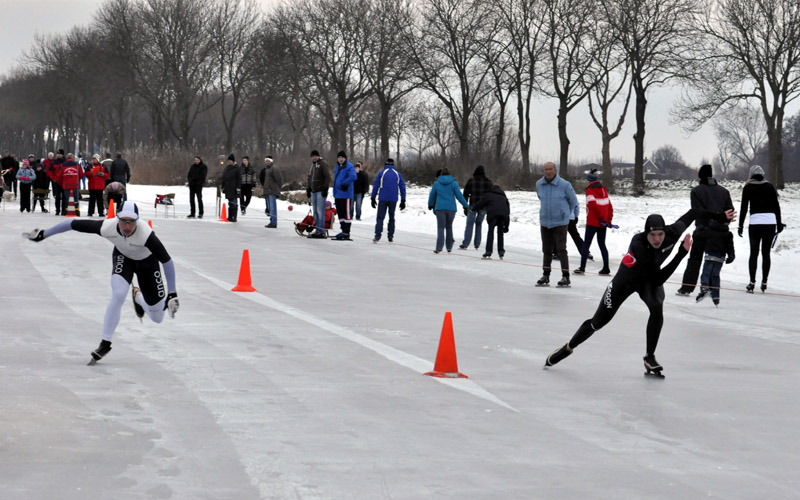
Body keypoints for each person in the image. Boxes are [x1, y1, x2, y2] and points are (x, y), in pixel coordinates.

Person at [544, 207, 736, 375]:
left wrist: (720, 216)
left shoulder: (673, 232)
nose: (657, 239)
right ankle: (568, 347)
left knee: (657, 308)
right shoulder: (639, 245)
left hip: (648, 281)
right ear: (646, 234)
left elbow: (695, 212)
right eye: (652, 235)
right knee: (597, 323)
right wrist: (681, 253)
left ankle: (649, 357)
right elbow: (660, 278)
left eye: (660, 234)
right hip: (625, 282)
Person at [24, 201, 179, 364]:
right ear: (117, 218)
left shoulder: (146, 235)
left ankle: (138, 298)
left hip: (147, 263)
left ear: (137, 221)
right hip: (123, 258)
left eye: (131, 221)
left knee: (157, 317)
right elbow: (72, 223)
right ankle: (105, 343)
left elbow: (167, 261)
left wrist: (172, 293)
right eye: (123, 221)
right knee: (118, 294)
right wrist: (44, 234)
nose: (127, 226)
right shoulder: (107, 227)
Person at [677, 164, 733, 296]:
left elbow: (698, 211)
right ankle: (711, 287)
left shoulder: (696, 191)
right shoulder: (724, 191)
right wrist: (723, 218)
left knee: (695, 260)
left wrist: (715, 216)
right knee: (714, 260)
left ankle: (687, 287)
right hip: (719, 232)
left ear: (700, 176)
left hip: (703, 230)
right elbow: (729, 212)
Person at [738, 164, 783, 293]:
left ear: (751, 175)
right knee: (766, 254)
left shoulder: (748, 187)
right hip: (770, 223)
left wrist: (740, 225)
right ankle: (764, 282)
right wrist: (779, 224)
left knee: (754, 253)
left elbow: (744, 208)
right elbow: (776, 206)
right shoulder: (770, 187)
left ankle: (752, 283)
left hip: (755, 223)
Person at [536, 162, 578, 288]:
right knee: (546, 249)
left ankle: (566, 276)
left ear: (555, 171)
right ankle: (546, 275)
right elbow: (540, 198)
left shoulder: (565, 185)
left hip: (560, 222)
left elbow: (573, 201)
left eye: (551, 169)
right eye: (546, 169)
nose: (548, 172)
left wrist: (565, 214)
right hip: (545, 221)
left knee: (561, 249)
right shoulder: (539, 184)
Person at [574, 169, 613, 275]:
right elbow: (609, 206)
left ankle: (582, 267)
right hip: (603, 223)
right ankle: (606, 267)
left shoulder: (590, 191)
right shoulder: (604, 190)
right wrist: (608, 220)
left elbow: (593, 206)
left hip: (593, 223)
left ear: (589, 180)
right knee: (602, 244)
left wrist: (601, 218)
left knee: (586, 244)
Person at [427, 167, 468, 253]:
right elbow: (459, 195)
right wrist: (465, 205)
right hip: (451, 208)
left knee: (441, 227)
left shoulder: (437, 183)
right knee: (449, 227)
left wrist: (430, 204)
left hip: (440, 208)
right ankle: (449, 247)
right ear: (450, 174)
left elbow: (432, 195)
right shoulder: (454, 183)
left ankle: (439, 247)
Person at [696, 221, 735, 306]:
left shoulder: (708, 230)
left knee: (706, 273)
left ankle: (704, 288)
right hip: (720, 257)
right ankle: (716, 296)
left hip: (710, 255)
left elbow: (698, 237)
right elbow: (730, 246)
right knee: (715, 275)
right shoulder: (727, 234)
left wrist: (699, 229)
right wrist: (731, 256)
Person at [371, 158, 406, 243]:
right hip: (393, 199)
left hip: (383, 198)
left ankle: (377, 236)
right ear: (393, 164)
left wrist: (373, 197)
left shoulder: (382, 173)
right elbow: (402, 187)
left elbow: (376, 185)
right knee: (391, 217)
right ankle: (390, 236)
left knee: (380, 218)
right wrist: (403, 200)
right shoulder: (397, 174)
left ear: (385, 164)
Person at [459, 165, 492, 251]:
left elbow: (465, 193)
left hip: (473, 205)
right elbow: (491, 196)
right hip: (483, 206)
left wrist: (465, 206)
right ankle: (477, 244)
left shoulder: (471, 181)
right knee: (479, 224)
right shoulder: (488, 182)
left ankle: (465, 243)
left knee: (469, 224)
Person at [471, 185, 510, 259]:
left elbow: (480, 203)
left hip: (493, 215)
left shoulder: (489, 195)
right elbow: (507, 212)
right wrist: (507, 226)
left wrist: (474, 209)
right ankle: (501, 252)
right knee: (500, 234)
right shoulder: (504, 197)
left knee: (490, 232)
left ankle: (488, 252)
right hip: (502, 216)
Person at [332, 151, 357, 240]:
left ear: (345, 158)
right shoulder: (338, 167)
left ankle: (347, 232)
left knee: (346, 214)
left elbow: (353, 176)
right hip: (338, 194)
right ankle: (343, 230)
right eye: (339, 157)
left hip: (345, 194)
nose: (341, 159)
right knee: (341, 214)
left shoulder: (349, 166)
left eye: (342, 157)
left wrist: (345, 183)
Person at [306, 150, 332, 239]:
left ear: (318, 156)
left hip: (321, 191)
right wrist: (308, 188)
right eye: (312, 156)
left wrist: (325, 188)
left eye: (315, 156)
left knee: (320, 211)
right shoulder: (312, 166)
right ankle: (317, 230)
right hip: (314, 191)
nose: (314, 157)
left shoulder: (322, 164)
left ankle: (321, 231)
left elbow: (327, 177)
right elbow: (310, 178)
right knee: (315, 212)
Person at [259, 156, 283, 228]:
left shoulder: (274, 168)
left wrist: (277, 188)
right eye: (266, 161)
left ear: (271, 161)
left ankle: (274, 222)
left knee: (273, 208)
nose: (267, 162)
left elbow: (279, 179)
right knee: (269, 207)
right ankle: (271, 221)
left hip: (272, 191)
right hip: (267, 191)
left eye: (268, 161)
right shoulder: (266, 169)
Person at [221, 154, 241, 222]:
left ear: (233, 161)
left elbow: (239, 179)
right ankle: (230, 216)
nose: (229, 162)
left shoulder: (237, 168)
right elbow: (224, 178)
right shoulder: (226, 168)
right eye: (228, 160)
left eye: (230, 161)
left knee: (234, 203)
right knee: (230, 203)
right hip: (228, 188)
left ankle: (234, 217)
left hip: (234, 188)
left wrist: (238, 188)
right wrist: (223, 187)